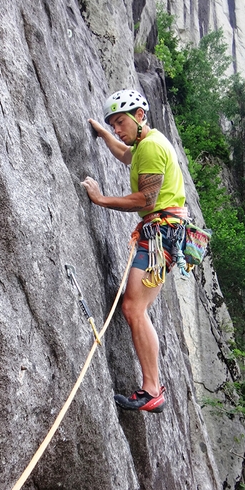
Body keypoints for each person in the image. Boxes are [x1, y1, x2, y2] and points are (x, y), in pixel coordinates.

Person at [81, 89, 187, 413]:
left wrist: (101, 199)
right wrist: (102, 132)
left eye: (120, 122)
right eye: (113, 124)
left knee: (133, 308)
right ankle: (152, 388)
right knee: (135, 309)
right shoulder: (144, 145)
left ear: (140, 116)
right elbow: (125, 154)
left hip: (161, 235)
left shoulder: (152, 147)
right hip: (162, 233)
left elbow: (146, 200)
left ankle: (152, 390)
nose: (117, 129)